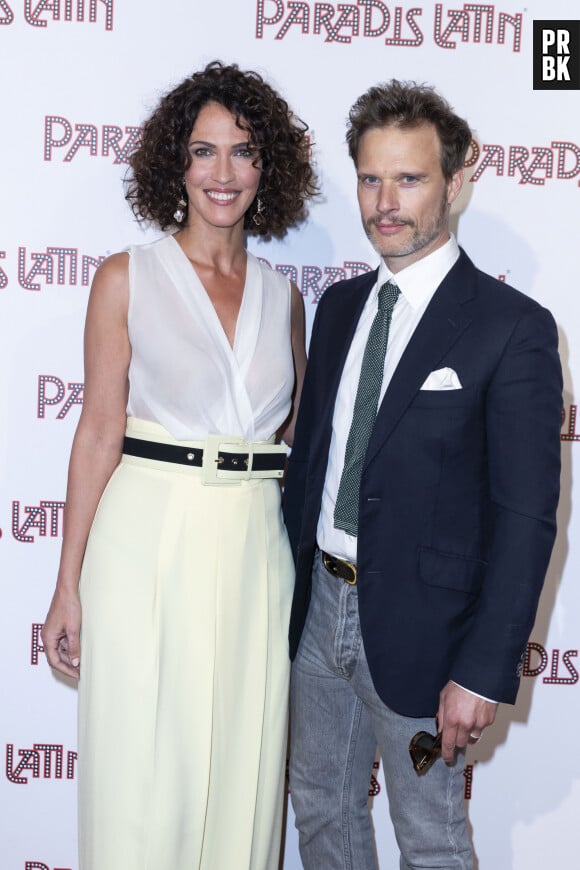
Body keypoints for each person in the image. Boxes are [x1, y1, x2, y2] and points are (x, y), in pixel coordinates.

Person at [41, 60, 316, 870]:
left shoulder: (285, 296)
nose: (222, 174)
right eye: (203, 152)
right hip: (146, 539)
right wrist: (67, 581)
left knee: (243, 764)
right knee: (143, 775)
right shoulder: (127, 278)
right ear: (176, 164)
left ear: (269, 168)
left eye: (242, 151)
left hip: (254, 549)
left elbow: (298, 438)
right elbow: (97, 431)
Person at [283, 79, 562, 869]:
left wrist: (482, 669)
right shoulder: (338, 308)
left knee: (432, 842)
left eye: (409, 178)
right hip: (317, 615)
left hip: (426, 634)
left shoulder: (514, 330)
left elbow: (527, 518)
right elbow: (312, 471)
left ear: (456, 182)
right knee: (323, 819)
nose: (385, 202)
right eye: (371, 178)